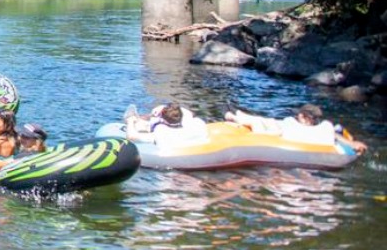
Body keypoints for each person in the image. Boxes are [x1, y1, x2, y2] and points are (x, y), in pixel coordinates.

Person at [225, 104, 368, 153]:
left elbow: (271, 133)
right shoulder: (326, 129)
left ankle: (237, 116)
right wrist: (351, 144)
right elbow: (334, 135)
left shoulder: (290, 126)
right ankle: (238, 115)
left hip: (286, 136)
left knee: (269, 122)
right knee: (271, 122)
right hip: (317, 145)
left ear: (301, 116)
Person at [125, 103, 206, 146]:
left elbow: (131, 137)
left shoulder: (161, 132)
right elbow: (189, 114)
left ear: (163, 119)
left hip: (173, 153)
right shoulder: (198, 123)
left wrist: (130, 121)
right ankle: (141, 120)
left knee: (144, 124)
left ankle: (135, 119)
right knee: (148, 122)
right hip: (192, 145)